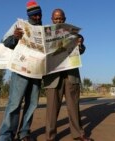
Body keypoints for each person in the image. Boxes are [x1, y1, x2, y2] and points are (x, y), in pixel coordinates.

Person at [43, 9, 91, 141]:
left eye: (61, 18)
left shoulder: (72, 33)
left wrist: (80, 44)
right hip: (53, 77)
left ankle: (78, 134)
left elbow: (81, 50)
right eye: (56, 18)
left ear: (65, 19)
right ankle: (50, 137)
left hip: (71, 75)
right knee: (51, 110)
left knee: (73, 107)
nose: (58, 20)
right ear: (52, 19)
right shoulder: (44, 34)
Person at [0, 1, 42, 141]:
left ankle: (24, 133)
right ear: (29, 15)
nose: (37, 17)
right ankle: (6, 136)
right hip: (20, 71)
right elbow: (5, 41)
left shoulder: (44, 29)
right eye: (34, 15)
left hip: (36, 71)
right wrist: (15, 37)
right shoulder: (19, 26)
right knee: (14, 103)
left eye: (39, 14)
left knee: (32, 103)